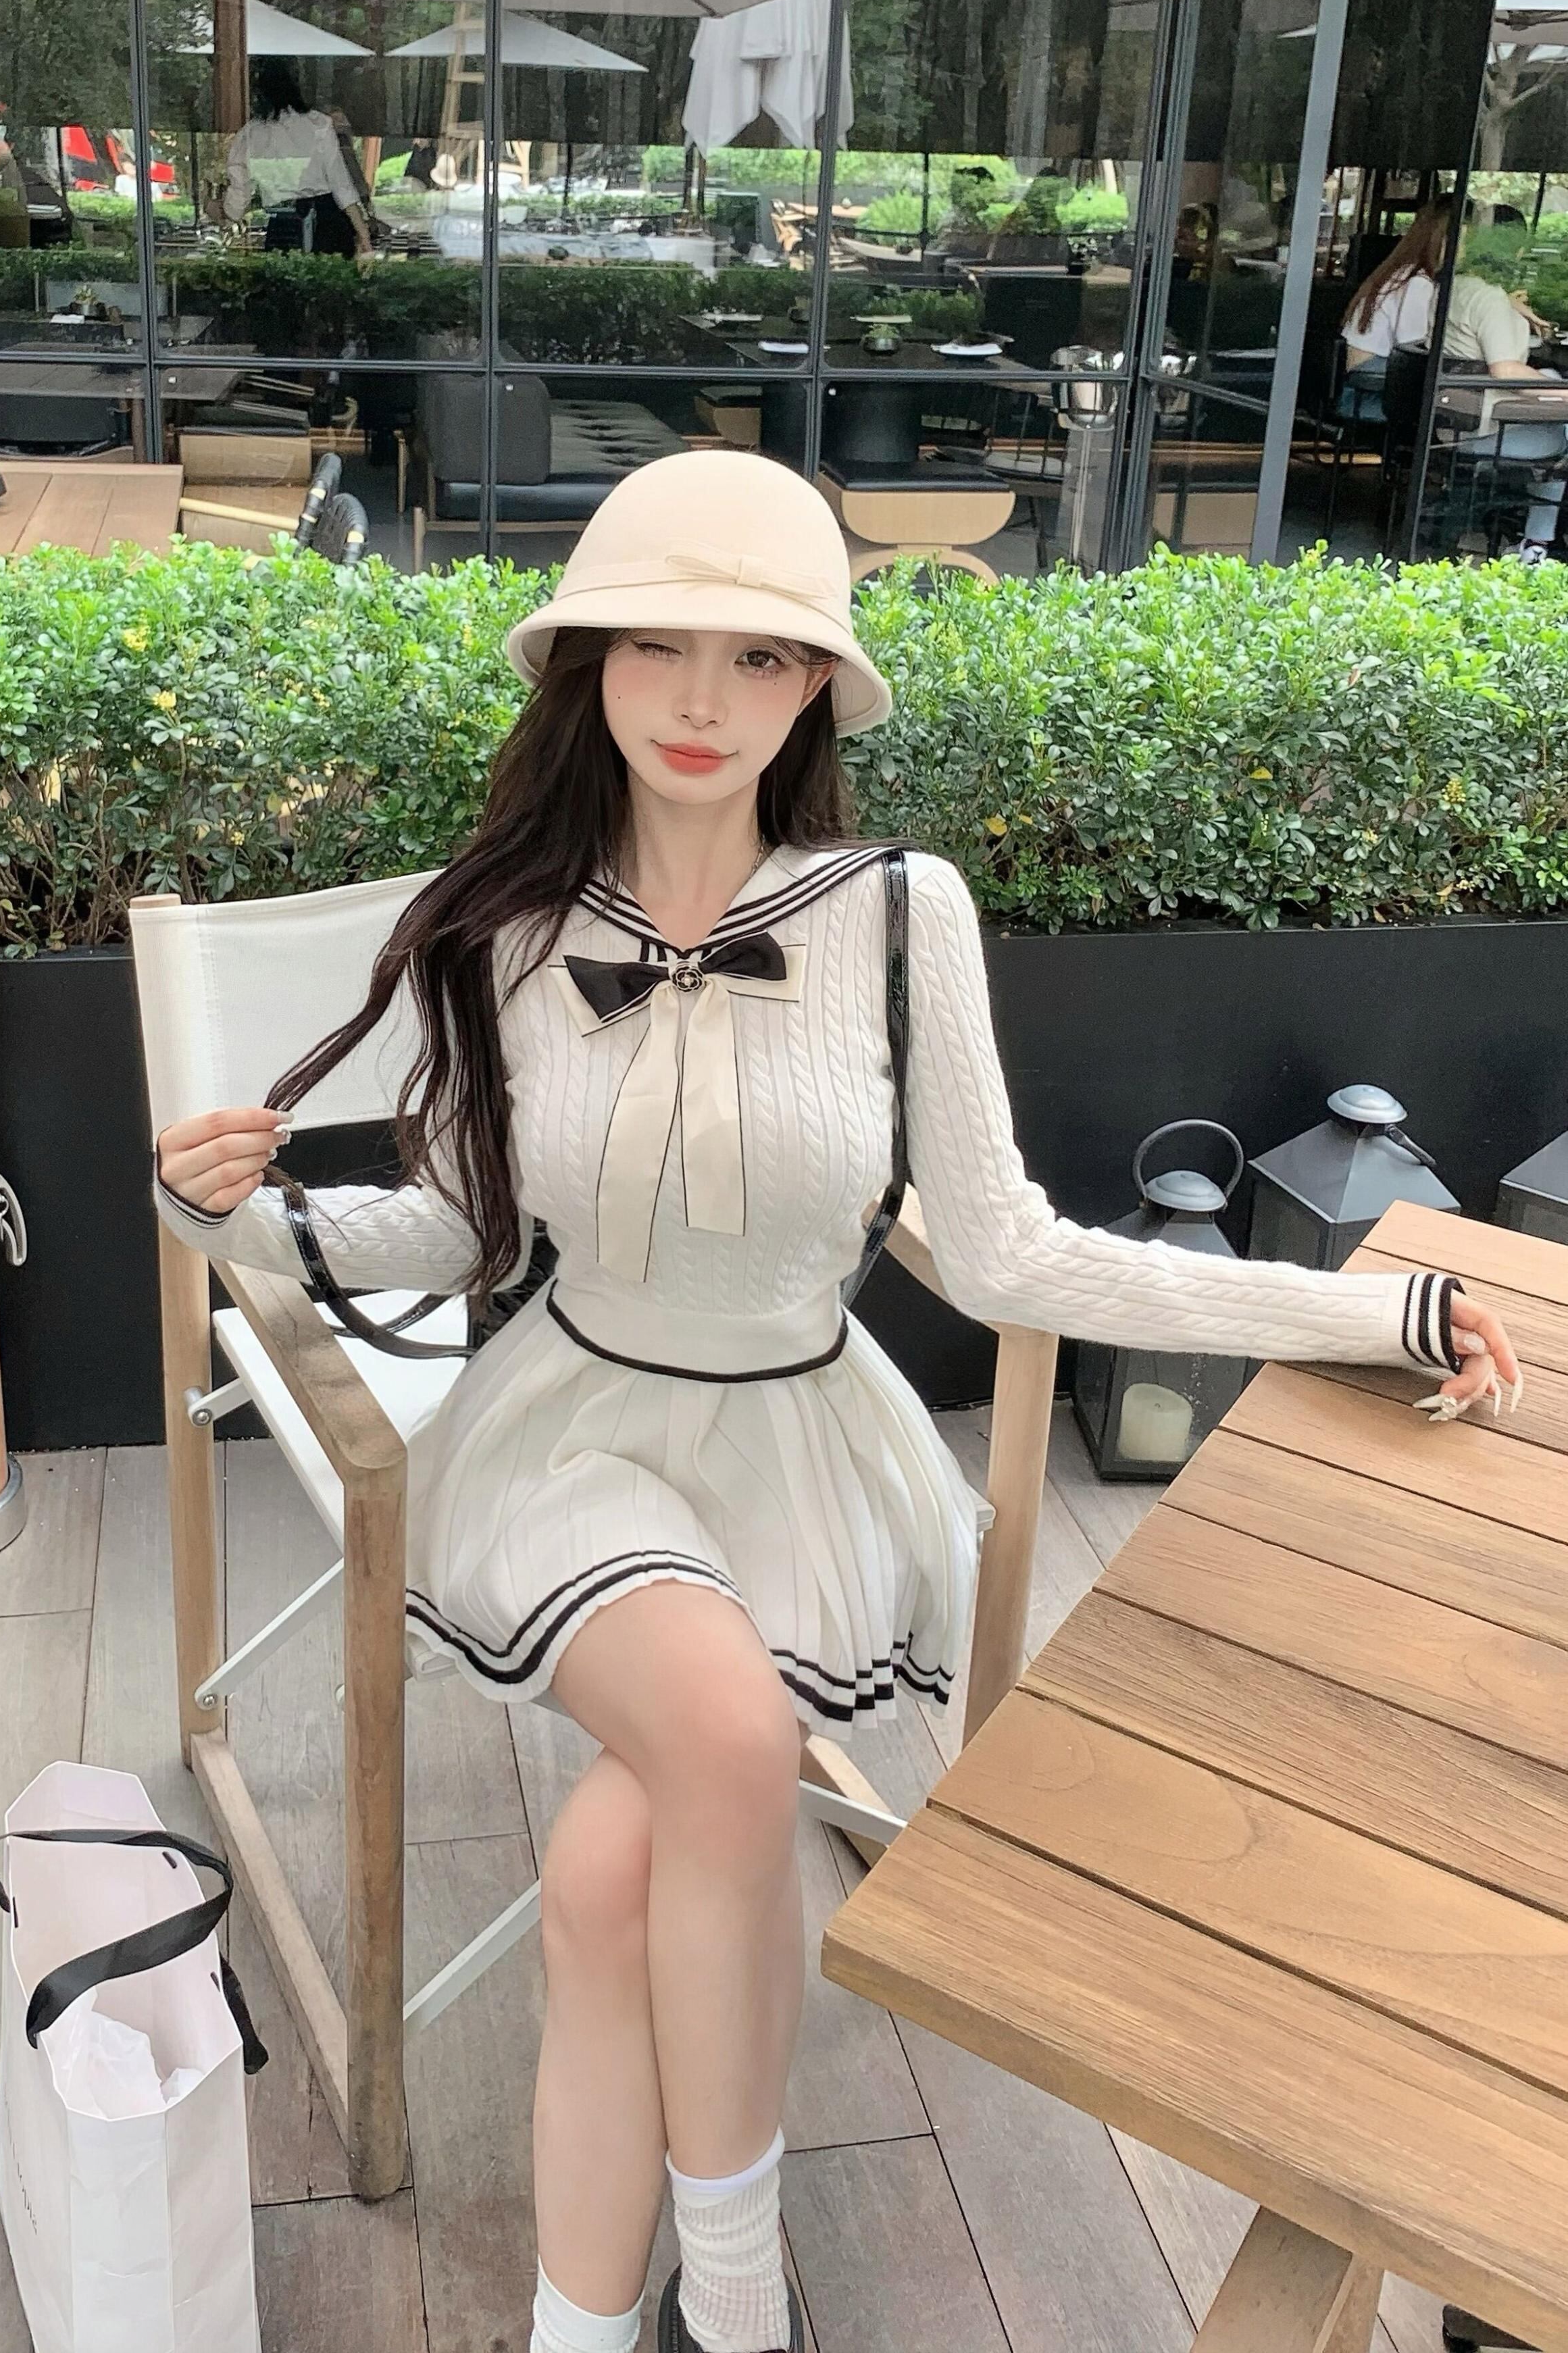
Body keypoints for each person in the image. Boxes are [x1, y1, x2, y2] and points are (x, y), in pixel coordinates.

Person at [153, 452, 1519, 2353]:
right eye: (658, 646)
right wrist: (231, 1216)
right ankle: (733, 2306)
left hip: (797, 1452)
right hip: (577, 1434)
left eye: (758, 655)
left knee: (602, 1873)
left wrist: (1361, 1311)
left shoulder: (896, 911)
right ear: (589, 663)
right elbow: (459, 1226)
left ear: (813, 687)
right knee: (724, 1742)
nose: (699, 700)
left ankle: (574, 2328)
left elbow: (1012, 1251)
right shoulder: (509, 928)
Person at [1345, 202, 1567, 553]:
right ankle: (1537, 541)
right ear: (1518, 253)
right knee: (1562, 431)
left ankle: (1525, 532)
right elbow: (1506, 371)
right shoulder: (1481, 298)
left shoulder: (1447, 289)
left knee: (1551, 385)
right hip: (1480, 428)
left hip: (1448, 421)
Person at [222, 57, 373, 257]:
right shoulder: (319, 124)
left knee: (283, 274)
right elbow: (341, 185)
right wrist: (364, 234)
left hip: (282, 225)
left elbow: (239, 197)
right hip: (327, 223)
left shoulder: (249, 135)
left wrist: (226, 214)